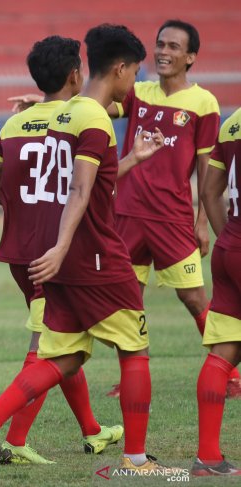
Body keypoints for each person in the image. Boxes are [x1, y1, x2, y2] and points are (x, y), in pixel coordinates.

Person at [0, 24, 166, 477]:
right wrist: (61, 246)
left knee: (63, 357)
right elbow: (77, 189)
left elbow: (72, 186)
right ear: (121, 68)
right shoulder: (90, 117)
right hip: (90, 254)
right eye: (135, 73)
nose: (134, 83)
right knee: (135, 350)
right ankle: (135, 460)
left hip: (52, 256)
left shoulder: (56, 116)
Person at [0, 35, 122, 466]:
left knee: (64, 339)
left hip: (18, 252)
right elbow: (84, 180)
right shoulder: (79, 119)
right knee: (48, 346)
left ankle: (93, 431)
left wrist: (24, 204)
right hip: (58, 252)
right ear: (75, 74)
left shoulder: (12, 124)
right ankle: (14, 438)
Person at [106, 19, 240, 398]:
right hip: (127, 216)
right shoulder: (138, 92)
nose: (163, 52)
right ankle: (129, 374)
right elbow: (96, 103)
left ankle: (228, 373)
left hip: (172, 219)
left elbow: (206, 169)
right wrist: (50, 103)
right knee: (127, 297)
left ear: (191, 57)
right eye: (160, 44)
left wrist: (201, 221)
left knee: (194, 296)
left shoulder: (203, 102)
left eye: (173, 47)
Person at [192, 107, 241, 476]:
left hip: (230, 248)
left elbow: (210, 191)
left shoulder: (232, 122)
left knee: (223, 355)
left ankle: (208, 458)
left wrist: (228, 238)